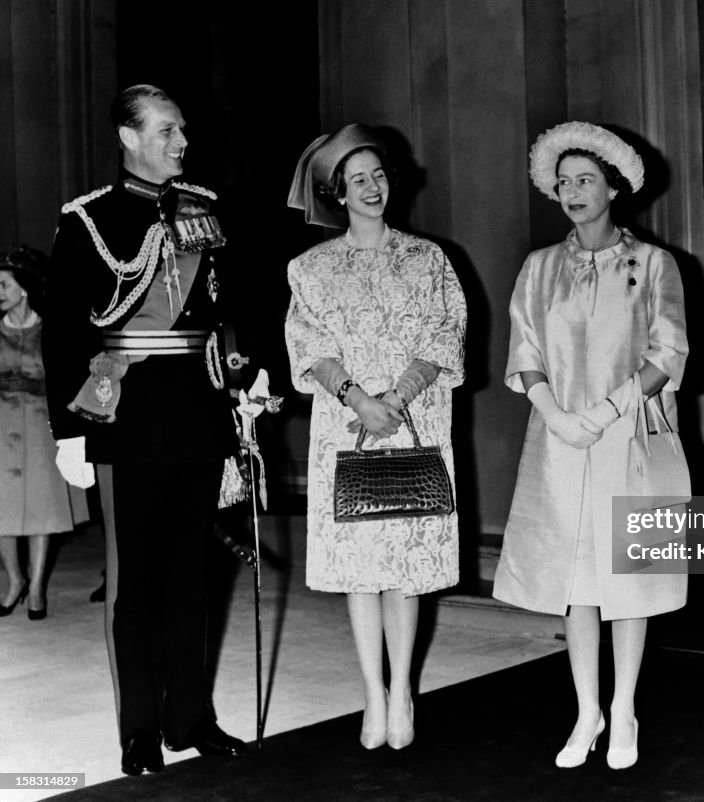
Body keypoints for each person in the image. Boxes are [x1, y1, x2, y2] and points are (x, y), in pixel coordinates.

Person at [43, 84, 250, 776]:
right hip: (124, 417)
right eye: (166, 132)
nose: (180, 142)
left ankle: (190, 717)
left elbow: (227, 313)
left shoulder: (206, 212)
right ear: (129, 137)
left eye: (182, 130)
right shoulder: (88, 221)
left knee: (191, 576)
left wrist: (244, 385)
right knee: (134, 586)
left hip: (196, 413)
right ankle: (138, 729)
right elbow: (65, 331)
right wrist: (67, 429)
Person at [493, 122, 689, 770]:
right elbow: (524, 350)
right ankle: (588, 711)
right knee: (576, 583)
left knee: (628, 579)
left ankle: (625, 708)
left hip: (627, 437)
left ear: (614, 187)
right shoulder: (539, 267)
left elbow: (669, 350)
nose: (572, 191)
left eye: (585, 180)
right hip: (561, 441)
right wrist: (556, 413)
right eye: (564, 182)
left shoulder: (654, 264)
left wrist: (608, 409)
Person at [284, 123, 466, 750]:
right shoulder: (310, 268)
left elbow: (446, 335)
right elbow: (309, 345)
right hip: (347, 426)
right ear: (336, 193)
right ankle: (373, 694)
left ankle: (405, 692)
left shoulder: (428, 259)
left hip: (413, 423)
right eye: (357, 180)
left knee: (404, 569)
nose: (372, 187)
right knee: (361, 570)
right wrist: (359, 400)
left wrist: (397, 397)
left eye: (378, 175)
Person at [0, 246, 83, 620]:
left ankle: (36, 589)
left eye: (4, 284)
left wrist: (36, 387)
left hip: (39, 430)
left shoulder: (50, 329)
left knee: (41, 511)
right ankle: (14, 580)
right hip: (1, 430)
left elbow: (68, 380)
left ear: (24, 288)